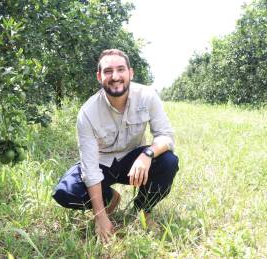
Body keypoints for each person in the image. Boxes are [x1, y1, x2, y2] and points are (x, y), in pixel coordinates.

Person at [52, 49, 179, 243]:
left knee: (168, 161)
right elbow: (90, 168)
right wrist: (100, 216)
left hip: (134, 160)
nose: (115, 76)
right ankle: (110, 198)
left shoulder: (148, 96)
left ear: (131, 72)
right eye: (108, 71)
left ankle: (143, 211)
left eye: (121, 69)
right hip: (102, 162)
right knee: (65, 192)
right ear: (99, 76)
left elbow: (166, 136)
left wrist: (147, 154)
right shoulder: (87, 113)